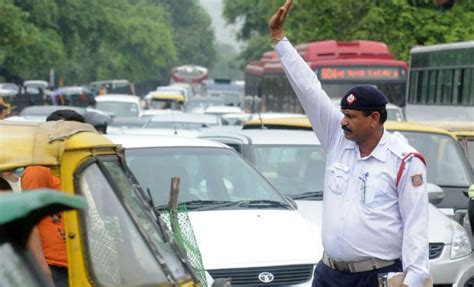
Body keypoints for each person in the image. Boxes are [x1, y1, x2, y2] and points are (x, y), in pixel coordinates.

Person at [269, 1, 430, 287]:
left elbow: (415, 227)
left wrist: (414, 280)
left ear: (374, 118)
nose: (343, 121)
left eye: (351, 116)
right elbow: (309, 89)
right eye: (343, 114)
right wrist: (280, 39)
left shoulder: (404, 160)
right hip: (329, 274)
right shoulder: (336, 139)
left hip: (377, 277)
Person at [22, 109, 86, 287]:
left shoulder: (78, 168)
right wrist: (43, 271)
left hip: (81, 263)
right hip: (55, 268)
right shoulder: (38, 170)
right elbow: (30, 223)